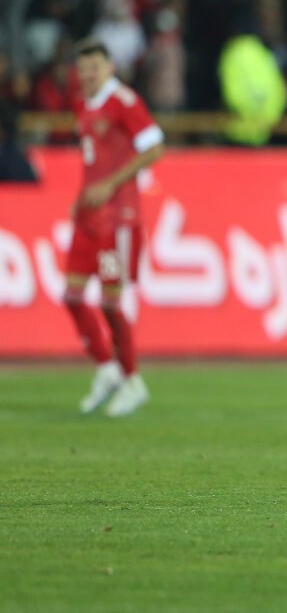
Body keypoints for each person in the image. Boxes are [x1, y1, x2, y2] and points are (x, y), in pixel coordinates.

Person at [66, 38, 164, 417]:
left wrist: (110, 185)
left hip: (118, 217)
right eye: (83, 69)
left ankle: (132, 380)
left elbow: (154, 147)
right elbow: (95, 159)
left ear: (110, 68)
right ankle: (107, 368)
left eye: (95, 67)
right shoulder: (82, 104)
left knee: (109, 300)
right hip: (89, 217)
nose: (88, 74)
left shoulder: (123, 101)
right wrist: (82, 197)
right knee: (72, 295)